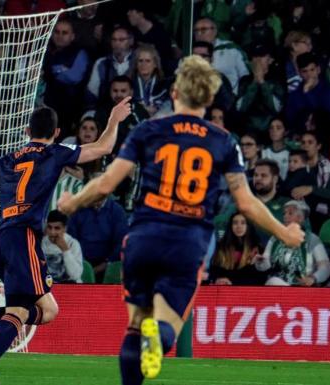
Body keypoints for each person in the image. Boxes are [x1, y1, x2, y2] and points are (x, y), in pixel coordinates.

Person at [58, 56, 304, 385]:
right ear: (209, 97)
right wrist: (284, 233)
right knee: (166, 328)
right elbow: (245, 201)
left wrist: (71, 202)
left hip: (144, 235)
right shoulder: (222, 141)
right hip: (189, 241)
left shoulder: (149, 130)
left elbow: (106, 183)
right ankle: (157, 337)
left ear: (174, 92)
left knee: (135, 325)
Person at [0, 98, 131, 385]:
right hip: (23, 239)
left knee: (49, 310)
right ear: (56, 133)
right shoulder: (55, 152)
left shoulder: (6, 160)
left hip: (3, 240)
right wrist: (114, 119)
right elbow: (103, 148)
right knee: (19, 309)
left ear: (27, 131)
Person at [209, 211, 266, 285]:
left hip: (247, 290)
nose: (239, 226)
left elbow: (258, 277)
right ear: (231, 226)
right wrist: (218, 279)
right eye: (235, 223)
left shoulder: (257, 248)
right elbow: (215, 270)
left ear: (248, 226)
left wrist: (232, 281)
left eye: (243, 223)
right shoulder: (222, 247)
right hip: (224, 288)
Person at [41, 210, 83, 283]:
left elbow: (75, 275)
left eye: (57, 228)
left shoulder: (73, 244)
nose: (52, 232)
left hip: (70, 287)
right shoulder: (41, 243)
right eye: (49, 227)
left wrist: (65, 250)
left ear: (64, 229)